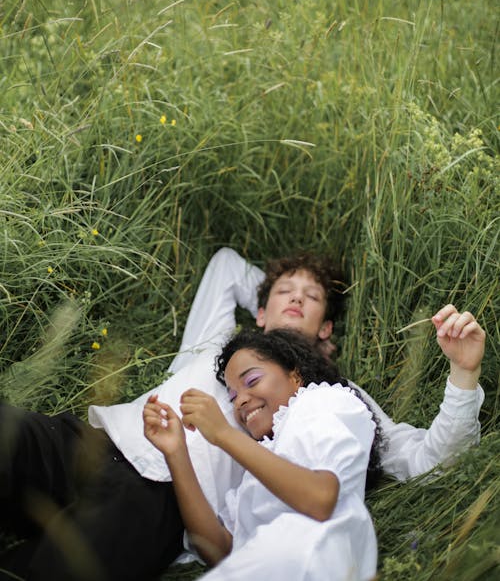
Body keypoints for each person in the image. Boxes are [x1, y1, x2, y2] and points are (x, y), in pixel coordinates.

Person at [0, 248, 485, 580]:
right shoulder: (218, 346)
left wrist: (463, 375)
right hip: (98, 440)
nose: (296, 298)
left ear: (327, 328)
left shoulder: (337, 394)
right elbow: (227, 265)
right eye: (283, 292)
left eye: (312, 298)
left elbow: (430, 460)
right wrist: (273, 314)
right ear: (257, 309)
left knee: (58, 569)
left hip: (162, 499)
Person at [143, 329, 381, 581]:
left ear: (295, 375)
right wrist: (176, 452)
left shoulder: (320, 402)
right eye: (232, 396)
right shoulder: (261, 462)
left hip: (307, 558)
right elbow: (221, 550)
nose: (240, 401)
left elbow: (320, 498)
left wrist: (223, 434)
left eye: (252, 380)